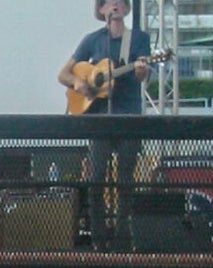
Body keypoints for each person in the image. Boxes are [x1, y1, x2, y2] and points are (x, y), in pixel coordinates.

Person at [57, 0, 150, 252]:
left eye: (120, 2)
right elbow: (62, 74)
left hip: (129, 118)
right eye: (109, 2)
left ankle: (122, 240)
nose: (115, 5)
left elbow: (142, 74)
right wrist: (78, 83)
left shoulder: (139, 38)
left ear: (127, 8)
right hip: (99, 120)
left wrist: (141, 70)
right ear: (101, 10)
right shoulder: (93, 40)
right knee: (96, 180)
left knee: (125, 181)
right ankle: (98, 240)